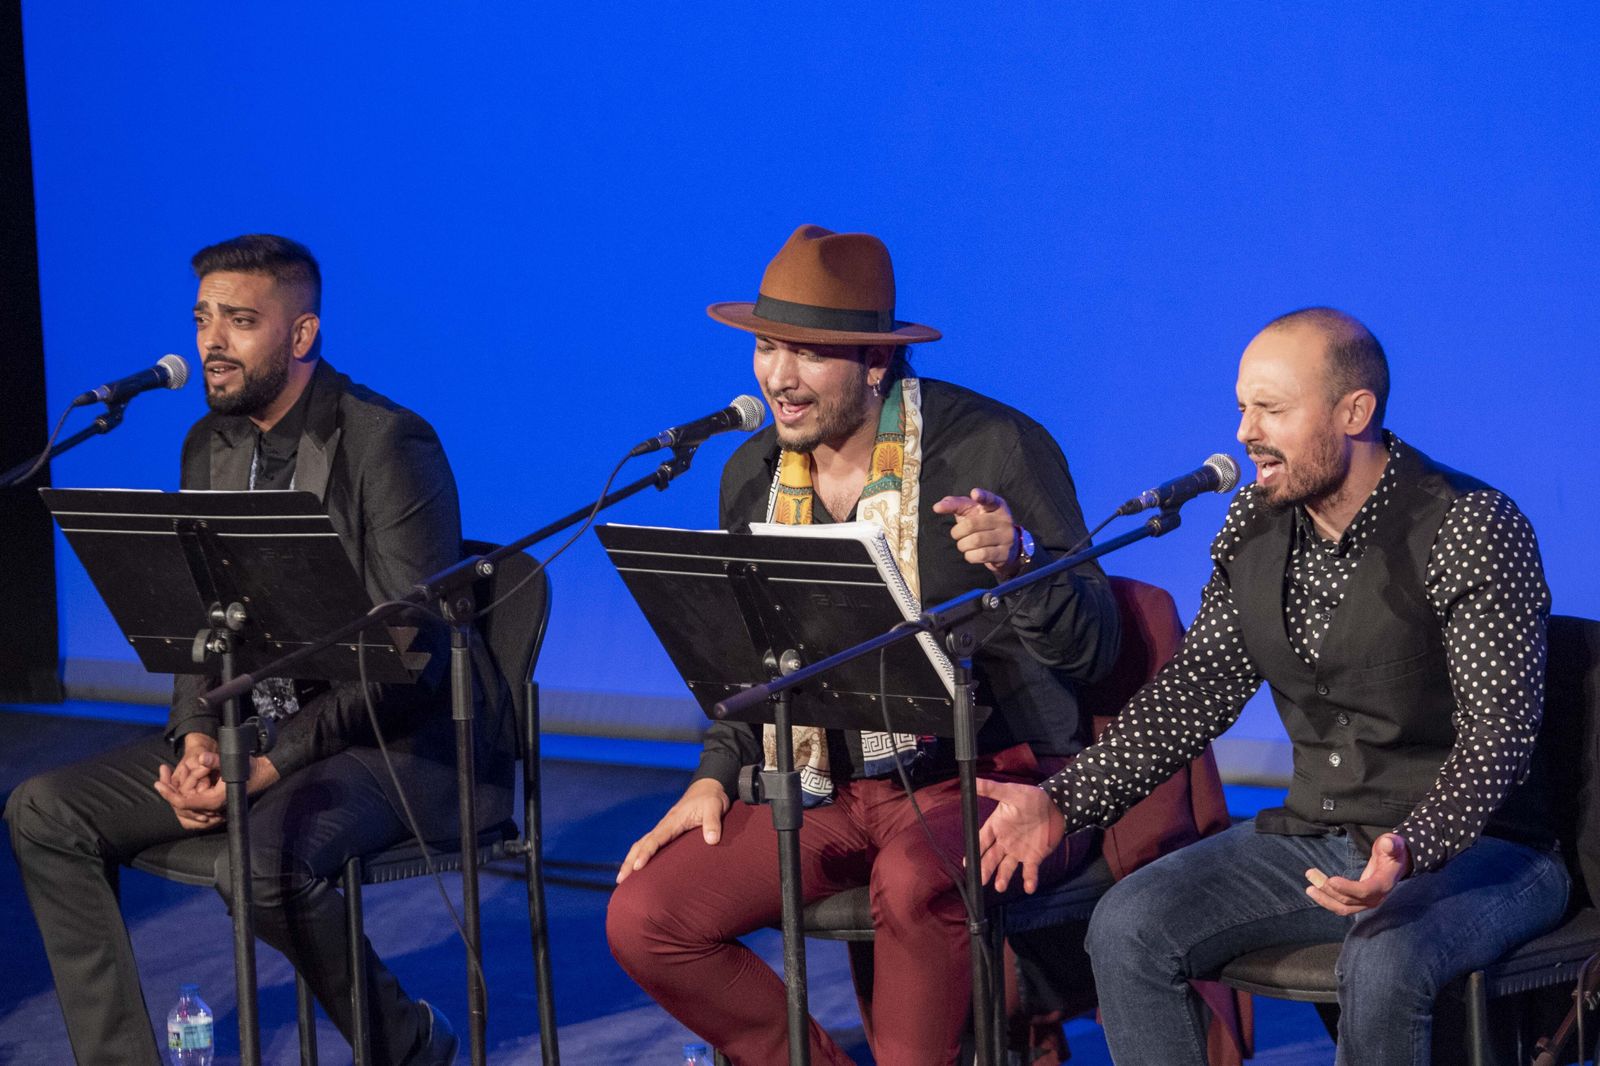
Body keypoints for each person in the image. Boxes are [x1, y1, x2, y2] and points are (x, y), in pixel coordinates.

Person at [975, 307, 1570, 1065]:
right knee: (1128, 925)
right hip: (1323, 834)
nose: (1245, 432)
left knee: (1382, 957)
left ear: (1354, 412)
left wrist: (1410, 847)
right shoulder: (1253, 524)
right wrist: (1064, 802)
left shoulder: (1469, 525)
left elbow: (1499, 736)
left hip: (1484, 850)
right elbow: (1194, 692)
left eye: (1272, 409)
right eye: (1242, 408)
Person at [605, 224, 1122, 1066]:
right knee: (647, 916)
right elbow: (755, 660)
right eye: (767, 347)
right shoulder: (752, 475)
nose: (779, 377)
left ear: (876, 361)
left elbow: (1094, 649)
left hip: (986, 774)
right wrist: (712, 775)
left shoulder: (991, 446)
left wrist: (1022, 561)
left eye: (808, 353)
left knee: (913, 883)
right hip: (828, 787)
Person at [4, 234, 506, 1066]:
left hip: (390, 740)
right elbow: (202, 628)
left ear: (302, 334)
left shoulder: (388, 442)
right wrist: (199, 737)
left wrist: (272, 763)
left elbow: (408, 655)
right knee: (44, 811)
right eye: (203, 319)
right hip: (257, 729)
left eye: (239, 321)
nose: (212, 342)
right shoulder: (209, 444)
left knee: (256, 867)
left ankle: (407, 1043)